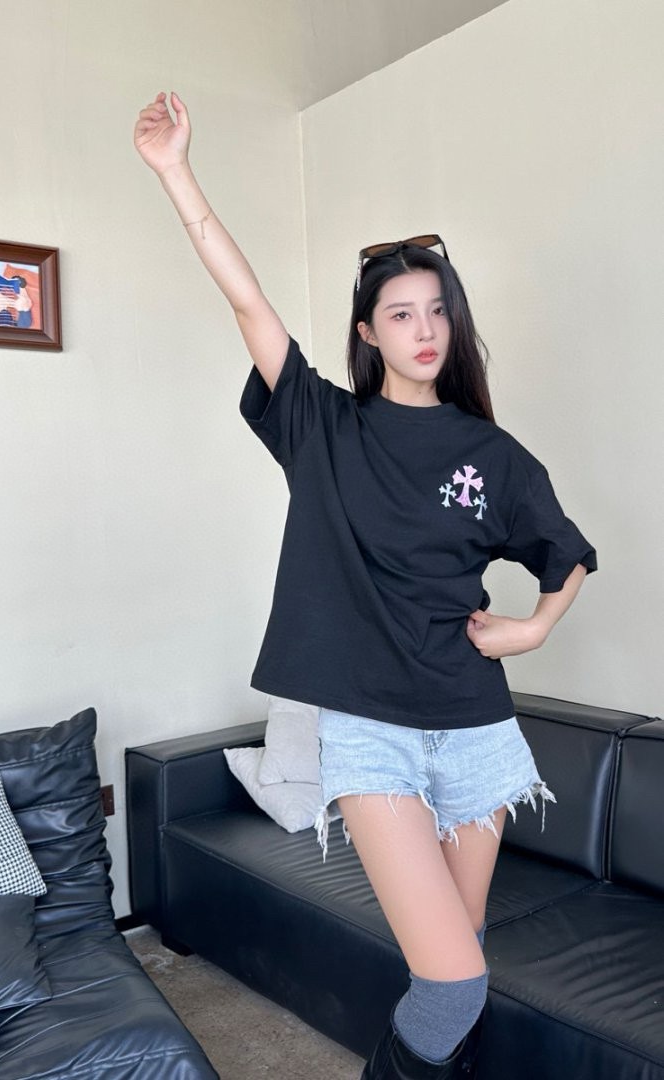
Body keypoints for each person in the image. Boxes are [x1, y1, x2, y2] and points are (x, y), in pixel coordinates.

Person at [134, 91, 596, 1080]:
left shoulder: (493, 454)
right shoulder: (322, 425)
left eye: (437, 311)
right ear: (369, 332)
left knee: (463, 961)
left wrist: (532, 629)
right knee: (453, 984)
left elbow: (567, 555)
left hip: (477, 730)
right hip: (373, 734)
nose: (424, 328)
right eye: (401, 313)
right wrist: (177, 174)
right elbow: (249, 303)